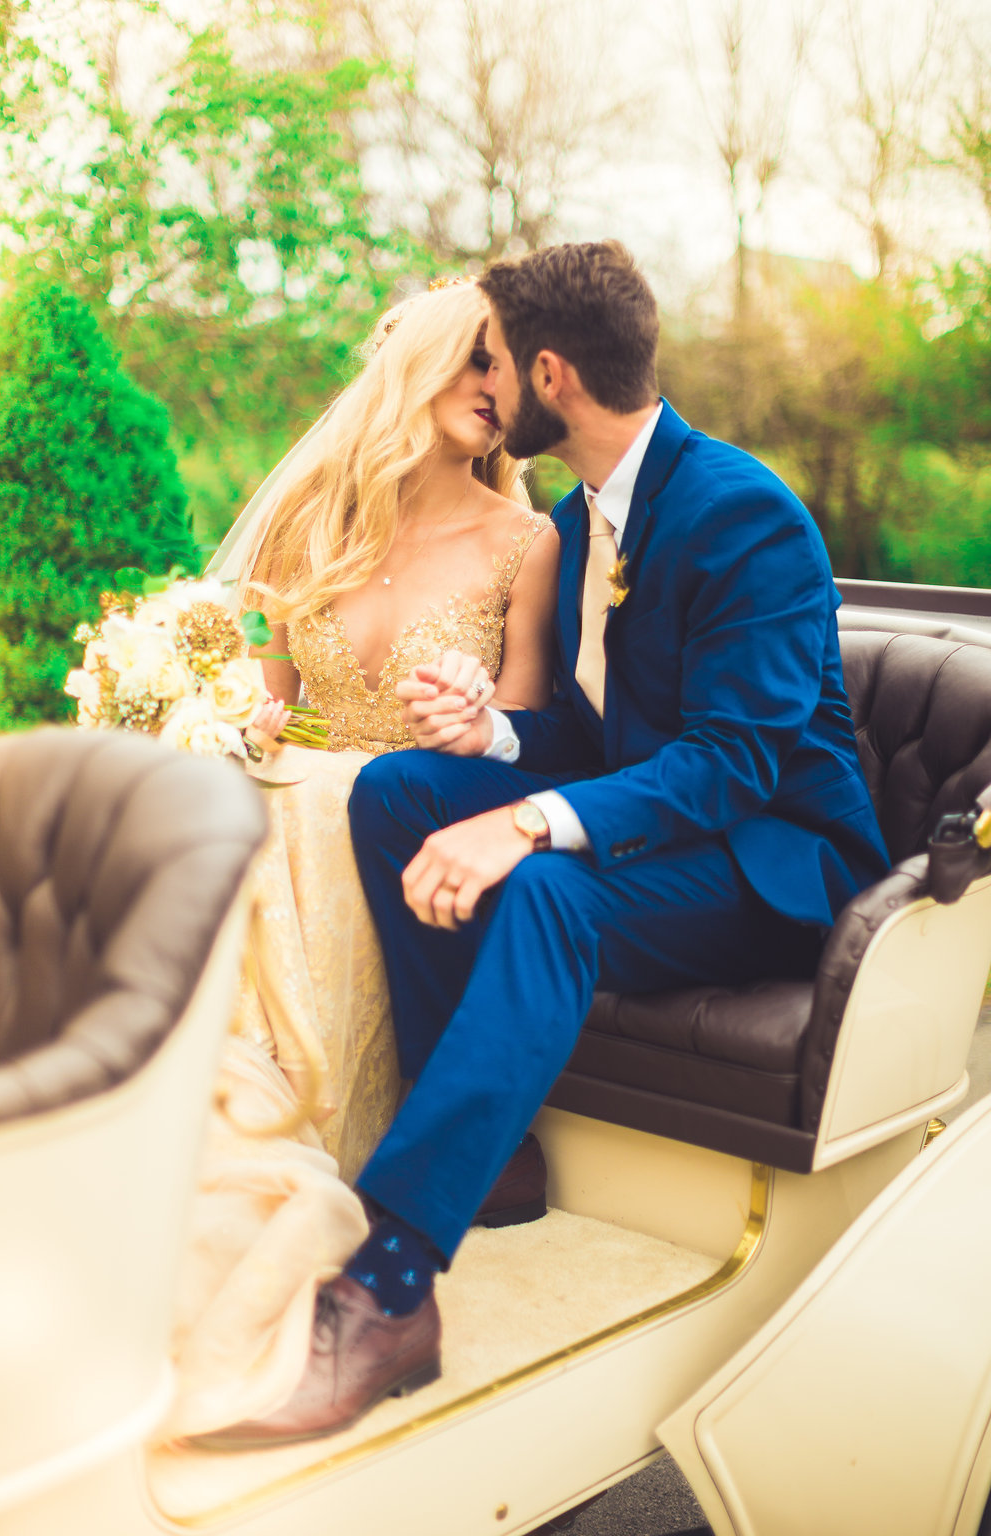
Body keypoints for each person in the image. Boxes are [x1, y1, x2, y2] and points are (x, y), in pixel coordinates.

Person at [199, 239, 890, 1451]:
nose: (485, 383)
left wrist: (525, 822)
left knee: (546, 899)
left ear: (549, 375)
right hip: (658, 825)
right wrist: (494, 742)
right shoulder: (579, 522)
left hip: (770, 860)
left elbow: (738, 761)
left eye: (498, 360)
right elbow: (582, 726)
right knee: (397, 793)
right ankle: (493, 1143)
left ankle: (390, 1292)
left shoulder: (744, 514)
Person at [160, 278, 558, 1442]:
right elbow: (267, 705)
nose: (498, 392)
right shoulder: (305, 528)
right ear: (419, 361)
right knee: (222, 800)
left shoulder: (522, 543)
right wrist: (234, 727)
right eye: (479, 362)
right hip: (304, 801)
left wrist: (475, 717)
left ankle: (281, 1151)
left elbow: (528, 739)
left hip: (418, 823)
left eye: (511, 373)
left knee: (308, 807)